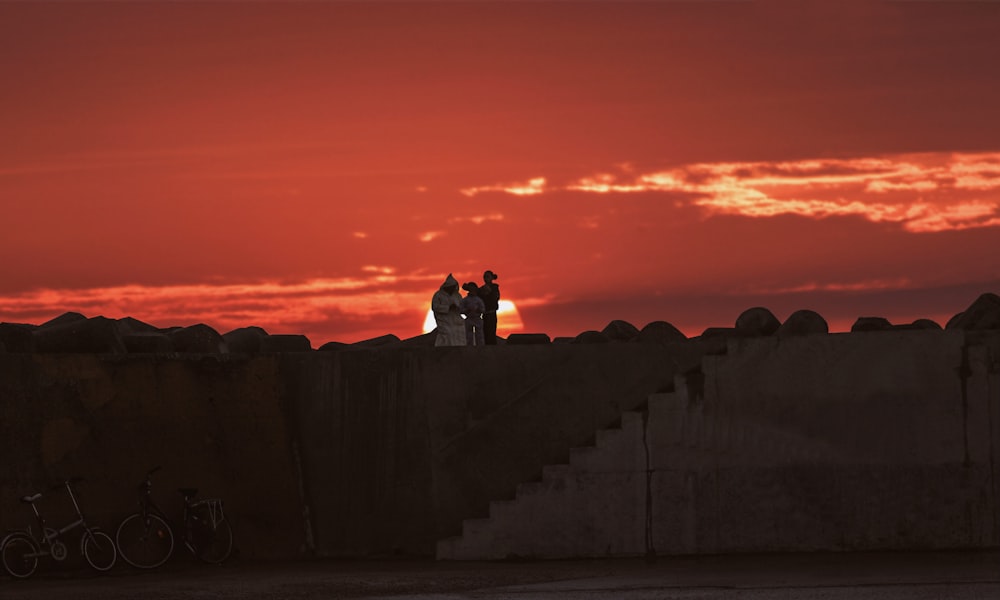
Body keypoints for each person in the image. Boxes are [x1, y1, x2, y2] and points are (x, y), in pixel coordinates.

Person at [431, 274, 466, 346]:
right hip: (444, 319)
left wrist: (458, 308)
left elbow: (462, 306)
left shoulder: (457, 295)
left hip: (456, 318)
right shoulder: (438, 295)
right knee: (448, 332)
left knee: (460, 330)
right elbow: (435, 307)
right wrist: (448, 307)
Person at [461, 282, 486, 346]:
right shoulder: (465, 300)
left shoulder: (479, 300)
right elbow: (460, 310)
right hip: (469, 319)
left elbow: (483, 309)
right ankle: (470, 348)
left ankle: (480, 348)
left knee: (479, 336)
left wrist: (479, 310)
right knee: (468, 336)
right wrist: (467, 310)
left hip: (477, 318)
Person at [479, 270, 500, 345]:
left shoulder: (495, 287)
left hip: (492, 313)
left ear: (491, 278)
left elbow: (496, 297)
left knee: (492, 331)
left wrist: (489, 291)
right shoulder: (481, 289)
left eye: (487, 276)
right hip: (485, 313)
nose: (485, 278)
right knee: (485, 332)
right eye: (484, 277)